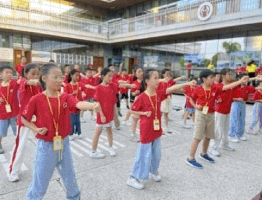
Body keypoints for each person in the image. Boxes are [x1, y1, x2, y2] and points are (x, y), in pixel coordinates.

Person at [21, 63, 99, 199]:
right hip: (46, 147)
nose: (59, 80)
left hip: (64, 144)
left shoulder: (64, 97)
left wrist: (92, 105)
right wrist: (36, 129)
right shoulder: (36, 99)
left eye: (61, 77)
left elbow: (77, 104)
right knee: (41, 181)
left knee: (70, 176)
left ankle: (75, 197)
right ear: (44, 78)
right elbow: (24, 119)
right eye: (55, 77)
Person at [126, 68, 196, 190]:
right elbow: (132, 110)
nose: (158, 80)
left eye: (158, 77)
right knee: (144, 155)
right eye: (155, 78)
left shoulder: (158, 93)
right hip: (146, 131)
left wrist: (187, 83)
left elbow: (171, 89)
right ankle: (133, 177)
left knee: (157, 154)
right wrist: (143, 114)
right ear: (147, 81)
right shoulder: (142, 97)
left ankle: (154, 170)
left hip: (156, 130)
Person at [186, 69, 249, 169]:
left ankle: (204, 153)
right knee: (198, 137)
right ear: (204, 79)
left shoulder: (214, 87)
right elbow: (191, 98)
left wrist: (240, 81)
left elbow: (227, 87)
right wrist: (195, 106)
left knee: (208, 136)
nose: (214, 79)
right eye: (211, 77)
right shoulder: (198, 89)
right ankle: (190, 158)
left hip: (211, 114)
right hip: (201, 115)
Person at [90, 68, 135, 159]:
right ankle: (93, 151)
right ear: (103, 76)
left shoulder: (112, 85)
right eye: (109, 76)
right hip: (102, 114)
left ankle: (110, 147)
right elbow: (97, 103)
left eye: (112, 76)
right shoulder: (98, 88)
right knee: (98, 132)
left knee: (109, 131)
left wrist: (130, 85)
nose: (111, 78)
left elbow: (120, 85)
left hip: (109, 113)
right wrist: (102, 115)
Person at [9, 63, 42, 182]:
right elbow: (24, 82)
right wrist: (30, 81)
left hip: (37, 120)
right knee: (20, 146)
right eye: (33, 74)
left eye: (37, 74)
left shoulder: (38, 86)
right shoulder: (23, 82)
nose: (35, 76)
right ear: (26, 74)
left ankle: (43, 169)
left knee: (43, 144)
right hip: (24, 120)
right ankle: (13, 171)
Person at [208, 68, 235, 157]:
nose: (230, 76)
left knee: (226, 129)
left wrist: (254, 78)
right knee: (218, 130)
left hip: (227, 110)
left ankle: (224, 143)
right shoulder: (220, 85)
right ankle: (212, 147)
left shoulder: (231, 84)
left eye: (231, 74)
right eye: (229, 74)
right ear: (223, 76)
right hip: (220, 111)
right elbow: (224, 88)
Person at [228, 73, 262, 143]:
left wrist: (255, 78)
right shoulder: (235, 86)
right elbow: (230, 97)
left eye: (247, 79)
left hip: (243, 104)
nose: (246, 80)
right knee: (234, 119)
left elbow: (256, 88)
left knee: (242, 119)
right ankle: (231, 135)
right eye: (245, 78)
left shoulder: (247, 87)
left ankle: (240, 134)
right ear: (239, 79)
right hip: (236, 103)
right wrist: (237, 99)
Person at [158, 68, 187, 133]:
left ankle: (166, 127)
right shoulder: (160, 82)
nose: (168, 75)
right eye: (167, 74)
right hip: (162, 100)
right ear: (163, 74)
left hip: (168, 99)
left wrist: (181, 77)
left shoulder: (170, 81)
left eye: (169, 74)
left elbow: (174, 80)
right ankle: (160, 126)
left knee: (166, 114)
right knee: (160, 114)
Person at [0, 66, 20, 154]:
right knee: (1, 131)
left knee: (17, 131)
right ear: (1, 74)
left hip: (14, 113)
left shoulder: (14, 83)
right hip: (2, 114)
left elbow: (23, 82)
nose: (9, 74)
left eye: (11, 73)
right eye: (7, 72)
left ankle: (19, 145)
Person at [123, 66, 144, 142]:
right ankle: (133, 134)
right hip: (138, 101)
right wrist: (135, 93)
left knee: (145, 119)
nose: (141, 73)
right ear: (135, 74)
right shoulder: (134, 83)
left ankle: (144, 134)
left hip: (146, 102)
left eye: (142, 71)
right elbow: (132, 93)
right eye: (139, 72)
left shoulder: (146, 81)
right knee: (135, 118)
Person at [64, 69, 85, 140]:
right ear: (71, 75)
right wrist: (72, 94)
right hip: (71, 107)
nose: (77, 77)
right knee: (72, 121)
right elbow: (65, 96)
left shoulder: (80, 84)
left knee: (78, 121)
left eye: (78, 76)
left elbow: (86, 86)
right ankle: (71, 133)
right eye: (76, 75)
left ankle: (79, 133)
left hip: (78, 105)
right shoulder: (67, 86)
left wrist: (83, 94)